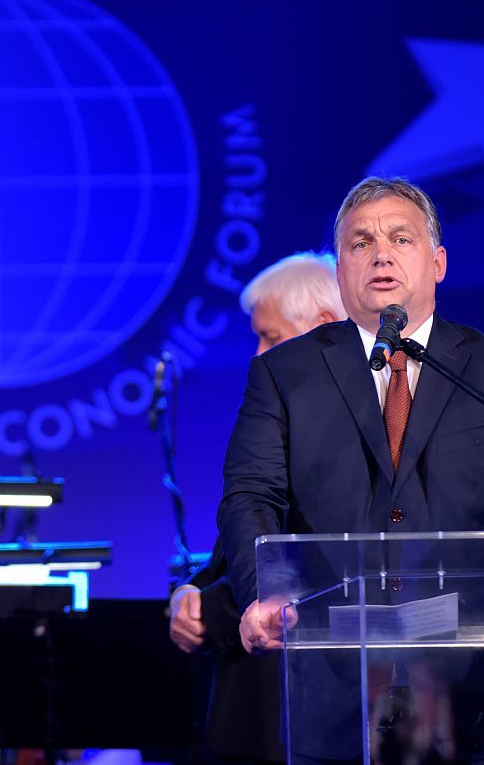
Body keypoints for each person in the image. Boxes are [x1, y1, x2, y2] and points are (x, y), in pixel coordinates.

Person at [217, 177, 484, 762]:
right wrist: (265, 594)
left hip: (475, 689)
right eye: (361, 242)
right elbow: (250, 496)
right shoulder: (285, 375)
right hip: (338, 687)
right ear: (341, 272)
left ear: (437, 262)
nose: (382, 253)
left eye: (401, 238)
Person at [169, 252, 345, 765]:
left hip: (308, 716)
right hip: (245, 712)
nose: (257, 354)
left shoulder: (364, 432)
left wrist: (212, 610)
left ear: (326, 328)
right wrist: (189, 591)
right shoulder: (269, 425)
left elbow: (321, 563)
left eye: (270, 336)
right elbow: (238, 549)